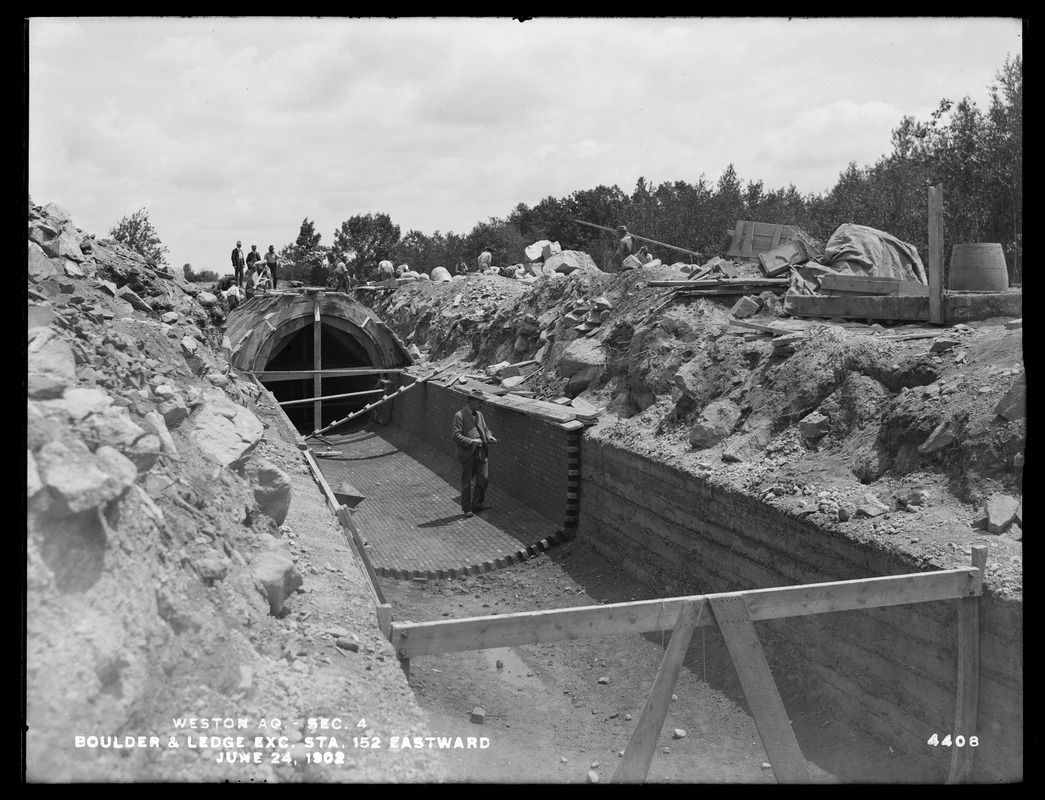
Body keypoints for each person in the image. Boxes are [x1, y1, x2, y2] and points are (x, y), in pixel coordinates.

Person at [452, 388, 498, 517]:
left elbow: (486, 429)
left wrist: (489, 436)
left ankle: (478, 504)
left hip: (482, 452)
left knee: (483, 479)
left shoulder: (480, 414)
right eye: (479, 402)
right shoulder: (459, 416)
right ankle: (467, 508)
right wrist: (471, 441)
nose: (481, 404)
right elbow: (455, 436)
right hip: (468, 454)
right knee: (467, 482)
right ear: (471, 401)